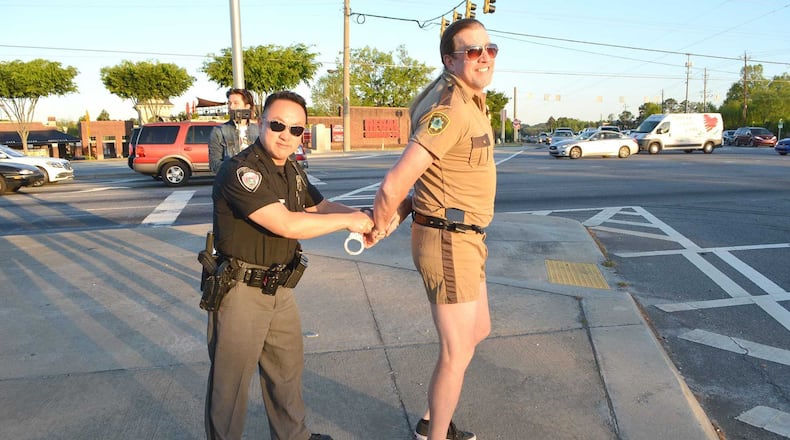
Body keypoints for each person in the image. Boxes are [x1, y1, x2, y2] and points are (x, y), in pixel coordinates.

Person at [205, 90, 374, 440]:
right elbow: (288, 224)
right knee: (230, 388)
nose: (286, 135)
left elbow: (320, 207)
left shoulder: (291, 169)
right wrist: (350, 222)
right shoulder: (240, 171)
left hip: (278, 288)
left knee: (286, 374)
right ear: (260, 123)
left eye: (296, 129)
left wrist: (368, 217)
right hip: (240, 292)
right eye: (278, 125)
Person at [366, 18, 497, 440]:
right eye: (472, 52)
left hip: (465, 237)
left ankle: (430, 419)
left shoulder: (472, 100)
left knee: (479, 330)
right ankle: (434, 435)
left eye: (489, 49)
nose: (484, 58)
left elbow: (430, 180)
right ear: (450, 59)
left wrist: (403, 212)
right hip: (449, 240)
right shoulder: (450, 109)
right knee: (456, 350)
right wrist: (382, 219)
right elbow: (394, 182)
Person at [209, 88, 261, 173]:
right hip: (231, 181)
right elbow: (214, 164)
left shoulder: (259, 131)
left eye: (236, 103)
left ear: (247, 106)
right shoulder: (218, 131)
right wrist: (234, 168)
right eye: (229, 103)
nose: (231, 107)